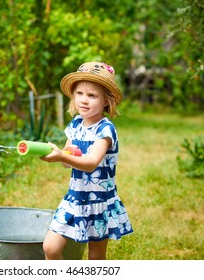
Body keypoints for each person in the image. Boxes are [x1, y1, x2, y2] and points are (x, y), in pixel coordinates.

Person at [41, 61, 133, 260]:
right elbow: (68, 160)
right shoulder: (75, 124)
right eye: (79, 93)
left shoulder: (105, 130)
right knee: (50, 247)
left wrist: (62, 156)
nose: (84, 100)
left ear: (106, 101)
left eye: (92, 95)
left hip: (99, 201)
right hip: (75, 197)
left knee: (95, 258)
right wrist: (59, 155)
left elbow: (91, 162)